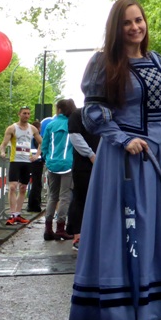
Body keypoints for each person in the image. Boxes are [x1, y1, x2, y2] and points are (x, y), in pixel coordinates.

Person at [69, 0, 161, 320]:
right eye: (127, 22)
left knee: (152, 225)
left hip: (158, 156)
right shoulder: (104, 62)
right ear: (116, 27)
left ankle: (151, 305)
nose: (134, 27)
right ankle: (120, 307)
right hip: (123, 156)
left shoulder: (157, 60)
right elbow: (92, 113)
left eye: (138, 20)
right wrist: (124, 139)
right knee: (125, 226)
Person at [0, 106, 42, 226]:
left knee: (23, 188)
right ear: (19, 114)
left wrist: (37, 155)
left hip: (27, 162)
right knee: (13, 187)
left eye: (28, 113)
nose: (27, 116)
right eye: (24, 113)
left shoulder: (32, 129)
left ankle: (18, 214)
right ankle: (12, 214)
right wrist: (2, 152)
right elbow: (3, 144)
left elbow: (42, 142)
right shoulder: (12, 128)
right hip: (15, 161)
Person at [41, 98, 76, 241]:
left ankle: (48, 229)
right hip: (67, 164)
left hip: (52, 163)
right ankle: (60, 228)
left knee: (52, 196)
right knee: (65, 197)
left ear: (59, 109)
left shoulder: (51, 125)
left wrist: (47, 158)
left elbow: (44, 145)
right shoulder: (72, 124)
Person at [67, 106, 100, 251]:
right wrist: (91, 155)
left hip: (103, 163)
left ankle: (98, 234)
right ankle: (78, 235)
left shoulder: (106, 113)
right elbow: (75, 137)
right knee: (80, 198)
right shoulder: (77, 114)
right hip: (83, 165)